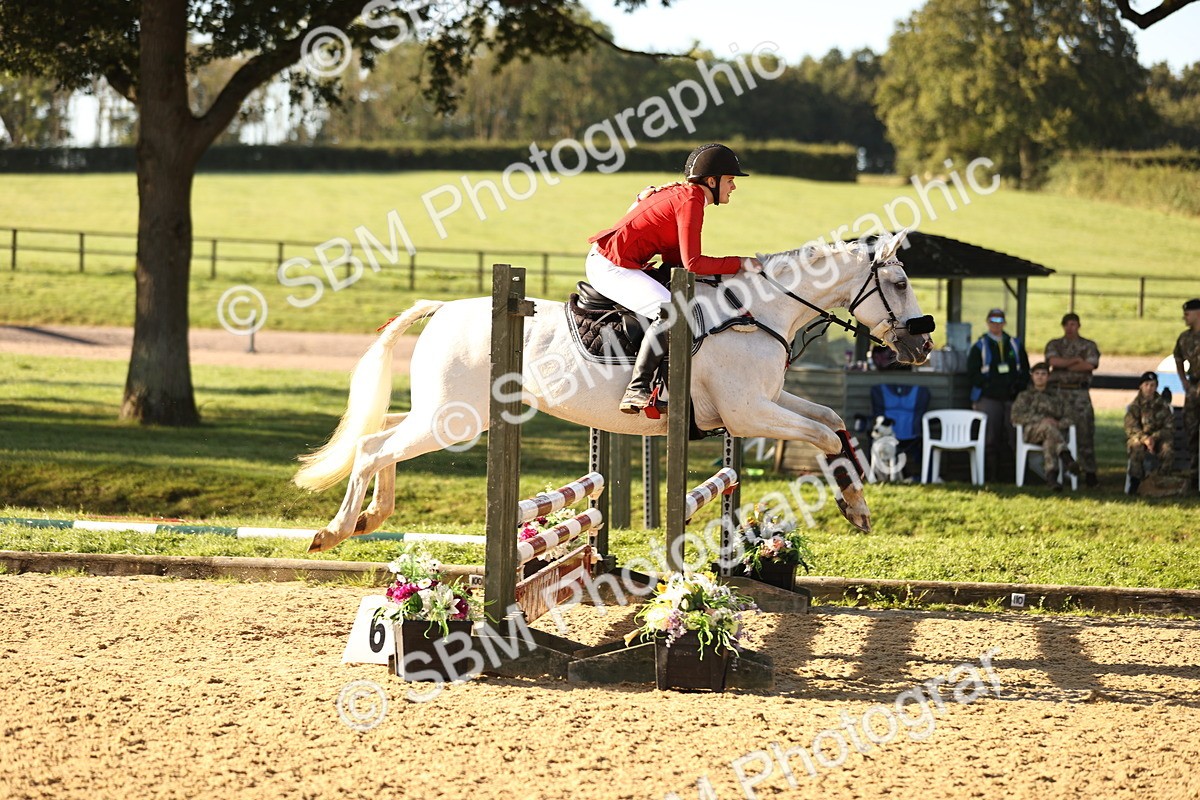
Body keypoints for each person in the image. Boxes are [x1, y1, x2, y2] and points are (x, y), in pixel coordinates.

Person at [586, 143, 762, 415]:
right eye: (730, 180)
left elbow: (676, 258)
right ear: (712, 181)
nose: (733, 186)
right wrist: (741, 263)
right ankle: (636, 388)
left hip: (620, 262)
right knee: (673, 312)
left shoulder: (687, 196)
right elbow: (693, 263)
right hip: (612, 267)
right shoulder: (691, 201)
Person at [967, 308, 1030, 480]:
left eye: (999, 321)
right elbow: (973, 373)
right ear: (987, 322)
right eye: (993, 321)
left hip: (1011, 398)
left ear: (1004, 323)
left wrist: (1018, 387)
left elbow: (1025, 370)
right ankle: (991, 475)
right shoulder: (980, 346)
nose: (996, 324)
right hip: (989, 398)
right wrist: (988, 386)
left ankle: (1017, 476)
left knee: (1014, 435)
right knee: (990, 436)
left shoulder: (1014, 344)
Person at [1045, 312, 1100, 487]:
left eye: (1073, 324)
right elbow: (1053, 361)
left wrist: (1064, 364)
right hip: (1058, 394)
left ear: (1078, 326)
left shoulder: (1088, 345)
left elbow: (1089, 365)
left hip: (1079, 395)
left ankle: (1089, 472)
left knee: (1085, 432)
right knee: (1056, 430)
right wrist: (1075, 361)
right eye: (1067, 324)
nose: (1070, 328)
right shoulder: (1054, 344)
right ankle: (1057, 471)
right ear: (1063, 326)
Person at [1011, 362, 1078, 490]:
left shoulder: (1057, 397)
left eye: (1043, 374)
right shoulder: (1025, 396)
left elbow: (1071, 417)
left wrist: (1058, 423)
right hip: (1032, 432)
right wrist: (1041, 420)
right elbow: (1016, 416)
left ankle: (1052, 479)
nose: (1040, 377)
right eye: (1037, 374)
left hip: (1055, 431)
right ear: (1032, 376)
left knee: (1049, 439)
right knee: (1048, 427)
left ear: (1048, 376)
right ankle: (1066, 457)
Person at [1125, 371, 1176, 494]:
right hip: (1141, 439)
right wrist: (1146, 439)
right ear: (1141, 386)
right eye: (1146, 384)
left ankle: (1161, 480)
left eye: (1152, 385)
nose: (1149, 388)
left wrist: (1154, 438)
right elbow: (1131, 428)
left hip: (1159, 439)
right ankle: (1135, 482)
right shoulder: (1135, 406)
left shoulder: (1163, 405)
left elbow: (1169, 427)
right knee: (1136, 446)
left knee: (1167, 449)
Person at [1174, 298, 1200, 479]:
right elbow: (1178, 358)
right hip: (1193, 388)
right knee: (1191, 428)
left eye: (1187, 314)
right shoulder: (1185, 338)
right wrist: (1183, 380)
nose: (1185, 317)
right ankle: (1194, 473)